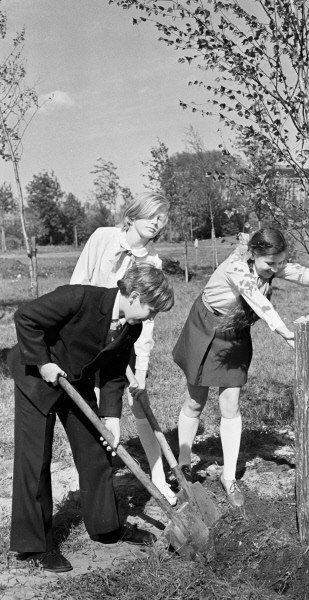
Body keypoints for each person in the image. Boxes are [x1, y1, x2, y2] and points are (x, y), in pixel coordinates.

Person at [8, 263, 175, 572]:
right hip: (35, 375)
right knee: (35, 459)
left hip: (75, 381)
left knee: (97, 452)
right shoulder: (79, 298)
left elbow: (113, 372)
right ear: (134, 295)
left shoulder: (131, 326)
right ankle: (34, 547)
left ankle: (106, 528)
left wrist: (111, 417)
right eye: (152, 309)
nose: (153, 317)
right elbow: (25, 317)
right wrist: (42, 363)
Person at [173, 228, 309, 508]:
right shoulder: (236, 268)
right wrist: (285, 333)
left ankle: (229, 477)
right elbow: (259, 302)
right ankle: (183, 463)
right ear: (254, 254)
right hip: (207, 328)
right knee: (196, 400)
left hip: (235, 334)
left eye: (280, 262)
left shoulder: (269, 265)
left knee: (230, 403)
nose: (277, 269)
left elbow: (290, 270)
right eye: (271, 264)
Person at [70, 192, 176, 506]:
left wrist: (140, 369)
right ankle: (102, 488)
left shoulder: (152, 260)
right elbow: (78, 284)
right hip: (88, 334)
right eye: (152, 215)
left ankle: (159, 479)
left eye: (162, 219)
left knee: (139, 406)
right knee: (101, 411)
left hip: (124, 338)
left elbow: (148, 320)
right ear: (133, 214)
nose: (157, 223)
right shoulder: (103, 238)